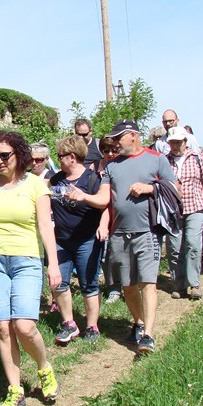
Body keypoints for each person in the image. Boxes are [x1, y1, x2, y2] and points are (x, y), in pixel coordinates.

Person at [0, 131, 61, 406]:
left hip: (27, 261)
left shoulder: (36, 186)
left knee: (24, 325)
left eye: (5, 155)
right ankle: (15, 388)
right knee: (2, 327)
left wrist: (53, 264)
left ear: (18, 155)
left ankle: (44, 368)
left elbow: (46, 226)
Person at [68, 119, 177, 356]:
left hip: (148, 231)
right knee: (127, 287)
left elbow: (173, 186)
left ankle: (147, 335)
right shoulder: (111, 166)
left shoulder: (156, 159)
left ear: (133, 136)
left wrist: (150, 188)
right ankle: (138, 322)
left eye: (119, 138)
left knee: (148, 282)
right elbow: (105, 199)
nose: (115, 143)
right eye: (114, 139)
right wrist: (87, 200)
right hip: (119, 234)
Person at [49, 135, 106, 344]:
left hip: (87, 240)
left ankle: (92, 326)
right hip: (61, 240)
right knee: (58, 283)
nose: (58, 159)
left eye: (60, 156)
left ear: (72, 157)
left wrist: (101, 224)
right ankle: (69, 323)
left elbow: (105, 204)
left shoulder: (92, 180)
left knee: (88, 285)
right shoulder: (56, 180)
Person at [165, 126, 203, 300]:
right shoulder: (165, 161)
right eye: (172, 142)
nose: (174, 146)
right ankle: (179, 284)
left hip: (195, 207)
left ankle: (194, 284)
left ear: (185, 142)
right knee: (175, 248)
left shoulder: (197, 158)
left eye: (178, 142)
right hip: (173, 210)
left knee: (193, 244)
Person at [97, 136, 121, 304]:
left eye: (114, 150)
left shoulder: (124, 166)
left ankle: (130, 286)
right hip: (103, 214)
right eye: (106, 150)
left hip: (121, 214)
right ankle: (113, 287)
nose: (110, 153)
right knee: (106, 254)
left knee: (123, 254)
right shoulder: (96, 168)